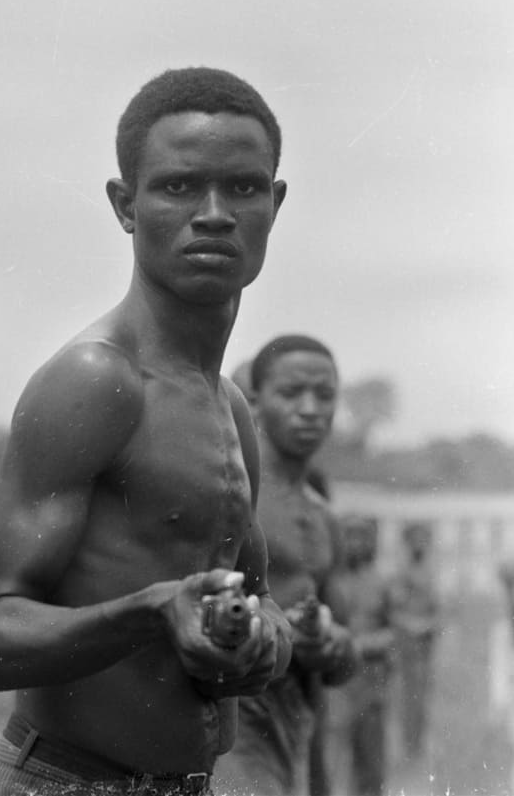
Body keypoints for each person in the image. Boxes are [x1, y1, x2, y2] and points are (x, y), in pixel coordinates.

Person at [0, 67, 293, 796]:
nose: (214, 213)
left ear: (276, 202)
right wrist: (148, 611)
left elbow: (256, 598)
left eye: (243, 187)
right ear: (124, 204)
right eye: (177, 186)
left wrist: (266, 639)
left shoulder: (230, 407)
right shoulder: (96, 380)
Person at [215, 335, 357, 796]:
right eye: (292, 393)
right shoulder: (230, 496)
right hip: (235, 724)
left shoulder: (324, 518)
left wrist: (328, 642)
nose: (311, 409)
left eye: (324, 395)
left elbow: (345, 655)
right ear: (254, 402)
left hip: (300, 725)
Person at [325, 516, 394, 796]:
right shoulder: (330, 583)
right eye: (348, 536)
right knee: (334, 757)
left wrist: (365, 645)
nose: (354, 544)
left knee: (371, 758)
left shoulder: (380, 583)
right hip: (337, 685)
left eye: (360, 537)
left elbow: (392, 631)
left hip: (371, 682)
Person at [389, 520, 439, 759]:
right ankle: (407, 744)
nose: (420, 545)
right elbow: (395, 611)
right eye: (415, 541)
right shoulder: (402, 573)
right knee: (407, 696)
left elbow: (437, 610)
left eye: (423, 541)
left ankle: (419, 743)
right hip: (407, 646)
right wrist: (412, 626)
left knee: (423, 695)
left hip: (425, 645)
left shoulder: (430, 573)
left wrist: (429, 625)